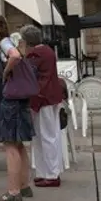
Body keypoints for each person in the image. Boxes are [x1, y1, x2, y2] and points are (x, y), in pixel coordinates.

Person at [0, 16, 33, 201]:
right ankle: (24, 184)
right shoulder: (8, 42)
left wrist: (4, 73)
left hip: (8, 102)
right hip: (16, 100)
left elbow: (15, 56)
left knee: (10, 144)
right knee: (18, 144)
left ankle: (13, 191)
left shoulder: (4, 43)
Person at [23, 24, 65, 189]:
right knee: (43, 136)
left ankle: (51, 173)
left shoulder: (35, 54)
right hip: (50, 97)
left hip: (42, 98)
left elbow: (31, 76)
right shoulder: (47, 51)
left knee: (46, 136)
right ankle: (44, 172)